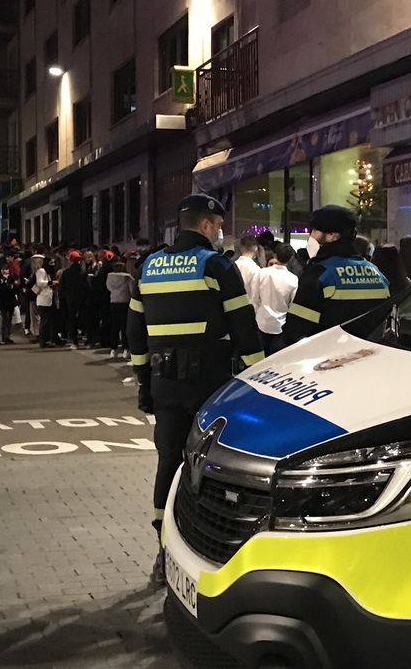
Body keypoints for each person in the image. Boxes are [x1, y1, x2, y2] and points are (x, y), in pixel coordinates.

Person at [128, 193, 264, 585]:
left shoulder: (150, 267)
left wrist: (143, 379)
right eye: (219, 226)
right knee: (211, 466)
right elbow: (243, 327)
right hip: (211, 387)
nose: (220, 233)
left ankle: (162, 551)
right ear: (206, 225)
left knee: (168, 461)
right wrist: (256, 379)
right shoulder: (216, 266)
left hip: (164, 383)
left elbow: (135, 331)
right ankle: (205, 548)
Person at [283, 205, 390, 344]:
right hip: (367, 358)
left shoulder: (320, 273)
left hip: (327, 359)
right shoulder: (377, 274)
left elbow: (296, 330)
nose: (312, 236)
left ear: (332, 235)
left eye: (315, 230)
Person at [254, 243, 299, 355]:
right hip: (280, 326)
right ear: (290, 259)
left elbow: (254, 298)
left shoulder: (262, 272)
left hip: (261, 322)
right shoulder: (293, 279)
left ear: (275, 255)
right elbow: (293, 305)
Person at [60, 250, 88, 348]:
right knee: (84, 318)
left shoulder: (66, 273)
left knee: (72, 319)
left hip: (70, 299)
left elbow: (61, 287)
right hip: (82, 298)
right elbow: (87, 286)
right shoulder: (83, 273)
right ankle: (87, 339)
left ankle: (74, 341)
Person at [106, 261, 133, 358]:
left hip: (113, 302)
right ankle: (126, 349)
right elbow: (132, 290)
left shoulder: (109, 278)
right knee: (124, 327)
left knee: (114, 327)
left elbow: (108, 288)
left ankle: (113, 349)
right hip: (125, 303)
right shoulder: (128, 278)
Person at [32, 254, 55, 348]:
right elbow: (40, 282)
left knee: (45, 320)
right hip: (44, 298)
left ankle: (45, 340)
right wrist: (50, 283)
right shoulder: (41, 271)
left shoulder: (40, 271)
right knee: (45, 321)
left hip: (44, 298)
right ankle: (43, 341)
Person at [233, 235, 261, 308]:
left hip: (233, 307)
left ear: (241, 248)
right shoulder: (255, 269)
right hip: (247, 309)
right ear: (256, 248)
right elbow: (255, 297)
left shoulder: (233, 265)